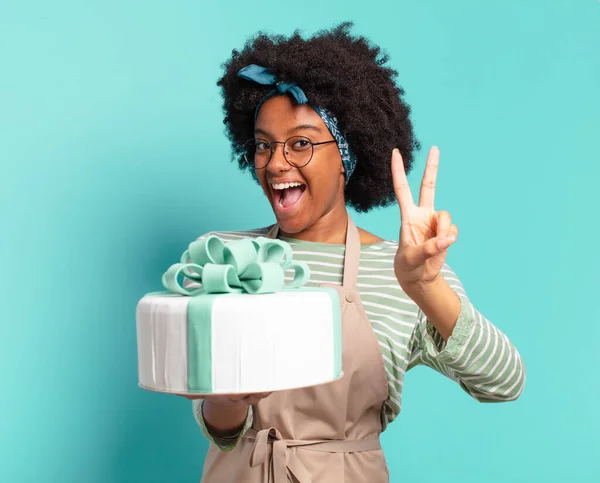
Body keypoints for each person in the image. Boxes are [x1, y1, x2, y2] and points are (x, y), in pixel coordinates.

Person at [182, 22, 525, 483]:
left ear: (347, 155)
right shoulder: (225, 259)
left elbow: (504, 382)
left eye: (300, 143)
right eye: (264, 145)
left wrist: (427, 288)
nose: (277, 162)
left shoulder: (401, 271)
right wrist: (226, 401)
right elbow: (222, 429)